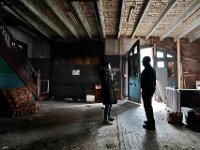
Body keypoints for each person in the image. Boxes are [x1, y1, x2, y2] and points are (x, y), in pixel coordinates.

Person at [141, 56, 156, 130]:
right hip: (149, 89)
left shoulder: (148, 70)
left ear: (146, 61)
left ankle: (151, 124)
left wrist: (145, 89)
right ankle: (149, 121)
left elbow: (148, 82)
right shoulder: (150, 69)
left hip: (147, 90)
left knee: (148, 107)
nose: (142, 62)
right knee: (147, 106)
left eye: (143, 61)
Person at [100, 61, 117, 125]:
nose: (110, 66)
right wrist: (111, 85)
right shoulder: (104, 72)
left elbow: (110, 80)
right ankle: (105, 119)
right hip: (107, 90)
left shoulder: (108, 72)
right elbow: (106, 82)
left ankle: (108, 116)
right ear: (107, 66)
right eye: (109, 65)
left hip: (110, 89)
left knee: (110, 103)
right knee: (108, 103)